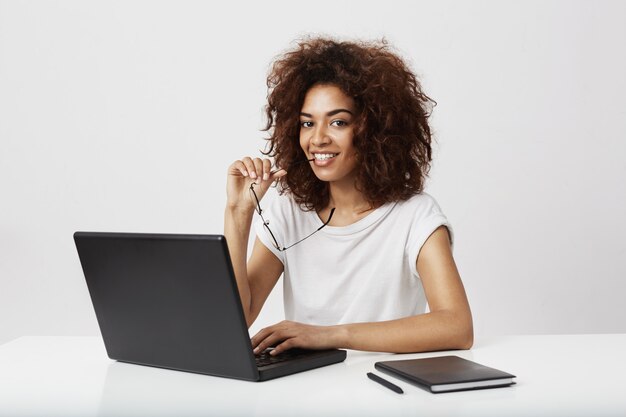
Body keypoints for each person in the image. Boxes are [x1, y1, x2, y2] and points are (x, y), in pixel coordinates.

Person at [224, 37, 473, 355]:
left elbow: (456, 326)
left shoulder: (415, 216)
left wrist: (330, 335)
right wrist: (238, 213)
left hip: (387, 390)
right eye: (307, 123)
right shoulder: (288, 212)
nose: (318, 138)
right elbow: (238, 318)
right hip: (307, 393)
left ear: (373, 129)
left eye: (338, 122)